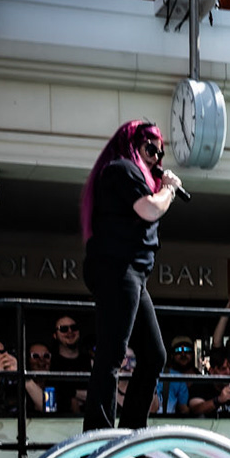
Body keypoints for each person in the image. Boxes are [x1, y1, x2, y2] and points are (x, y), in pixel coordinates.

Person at [78, 120, 181, 431]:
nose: (156, 158)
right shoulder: (121, 169)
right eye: (150, 149)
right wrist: (169, 189)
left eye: (160, 153)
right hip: (117, 269)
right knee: (112, 354)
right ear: (132, 145)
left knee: (153, 355)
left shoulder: (131, 175)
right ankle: (99, 436)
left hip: (133, 273)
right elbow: (150, 209)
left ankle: (132, 431)